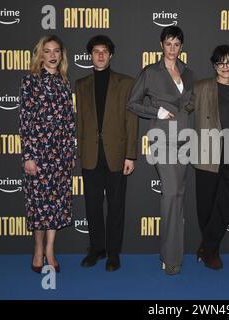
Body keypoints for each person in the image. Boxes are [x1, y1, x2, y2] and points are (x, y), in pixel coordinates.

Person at [128, 26, 194, 275]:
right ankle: (171, 258)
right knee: (171, 196)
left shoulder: (188, 72)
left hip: (184, 141)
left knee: (178, 197)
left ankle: (170, 252)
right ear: (161, 44)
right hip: (162, 141)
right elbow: (132, 103)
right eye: (168, 43)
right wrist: (156, 111)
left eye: (177, 44)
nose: (172, 48)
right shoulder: (150, 72)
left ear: (181, 47)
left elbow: (195, 101)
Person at [76, 35, 138, 272]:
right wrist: (80, 152)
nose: (100, 55)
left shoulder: (126, 83)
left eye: (104, 51)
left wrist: (130, 155)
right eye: (95, 51)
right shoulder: (81, 85)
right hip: (91, 155)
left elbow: (131, 121)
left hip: (117, 155)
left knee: (116, 207)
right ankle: (96, 249)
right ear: (90, 55)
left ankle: (113, 253)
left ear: (111, 55)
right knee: (92, 206)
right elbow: (80, 120)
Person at [19, 34, 76, 273]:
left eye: (56, 51)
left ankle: (50, 249)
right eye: (48, 51)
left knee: (55, 204)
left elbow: (70, 122)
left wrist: (70, 152)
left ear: (61, 55)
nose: (52, 55)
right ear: (41, 54)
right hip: (39, 155)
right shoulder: (30, 82)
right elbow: (25, 120)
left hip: (61, 155)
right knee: (39, 204)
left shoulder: (64, 83)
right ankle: (38, 248)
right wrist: (29, 155)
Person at [191, 45, 229, 270]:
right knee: (206, 204)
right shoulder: (201, 87)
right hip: (206, 150)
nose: (225, 67)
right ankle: (211, 250)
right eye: (221, 62)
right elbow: (182, 108)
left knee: (227, 203)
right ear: (214, 65)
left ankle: (207, 247)